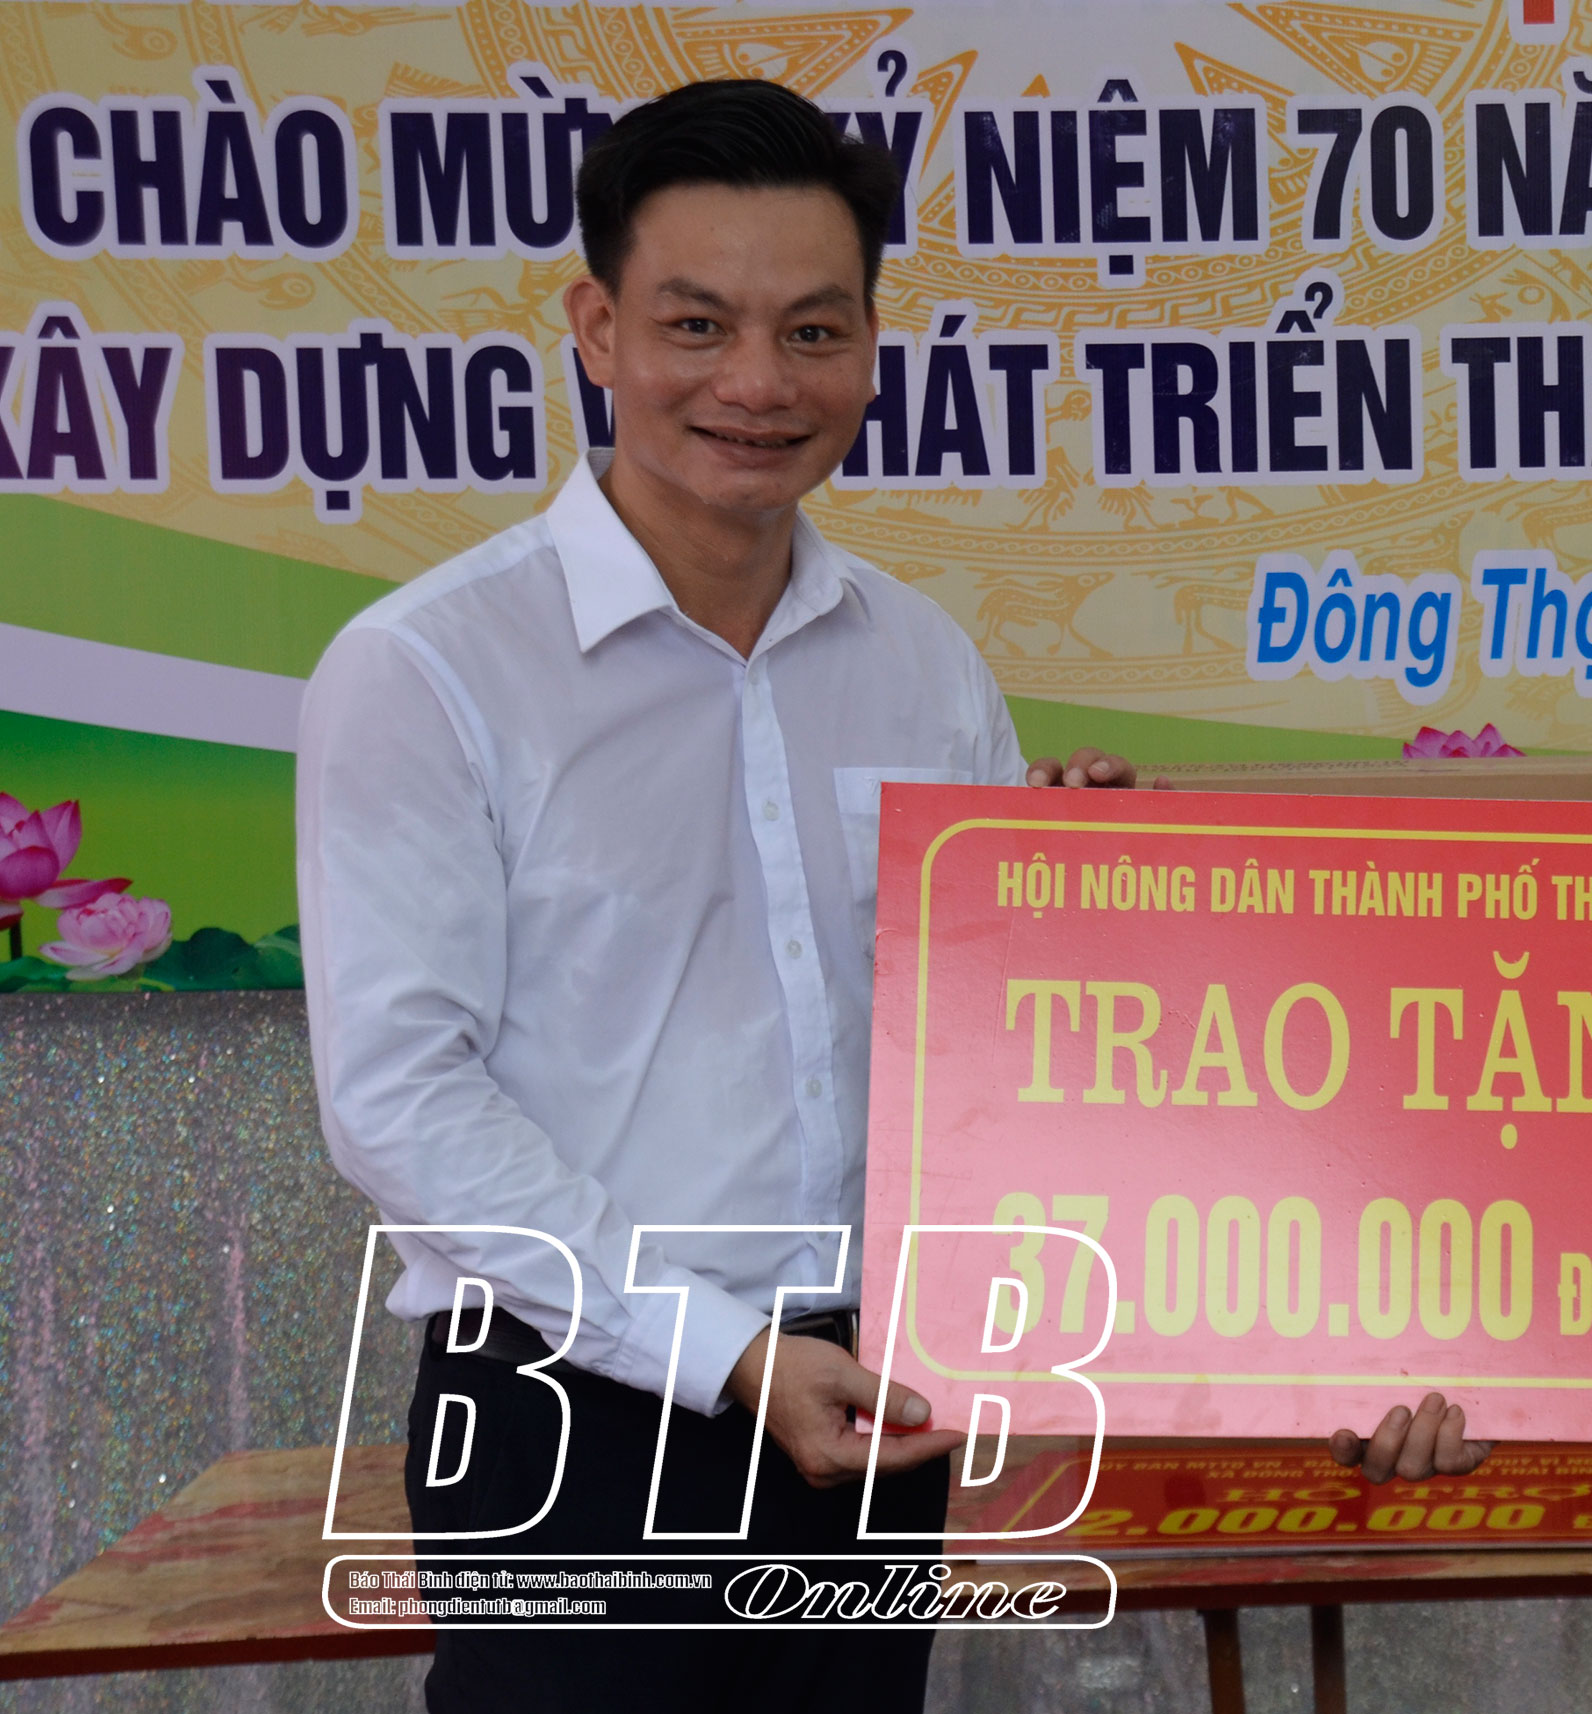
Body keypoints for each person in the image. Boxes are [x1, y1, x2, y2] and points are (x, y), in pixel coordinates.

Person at [297, 79, 1135, 1713]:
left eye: (814, 331)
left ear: (872, 347)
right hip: (572, 1405)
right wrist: (725, 1352)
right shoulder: (430, 669)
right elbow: (397, 1097)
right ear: (598, 329)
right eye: (698, 324)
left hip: (874, 1389)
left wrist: (1089, 902)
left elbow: (979, 1046)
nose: (757, 383)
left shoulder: (924, 664)